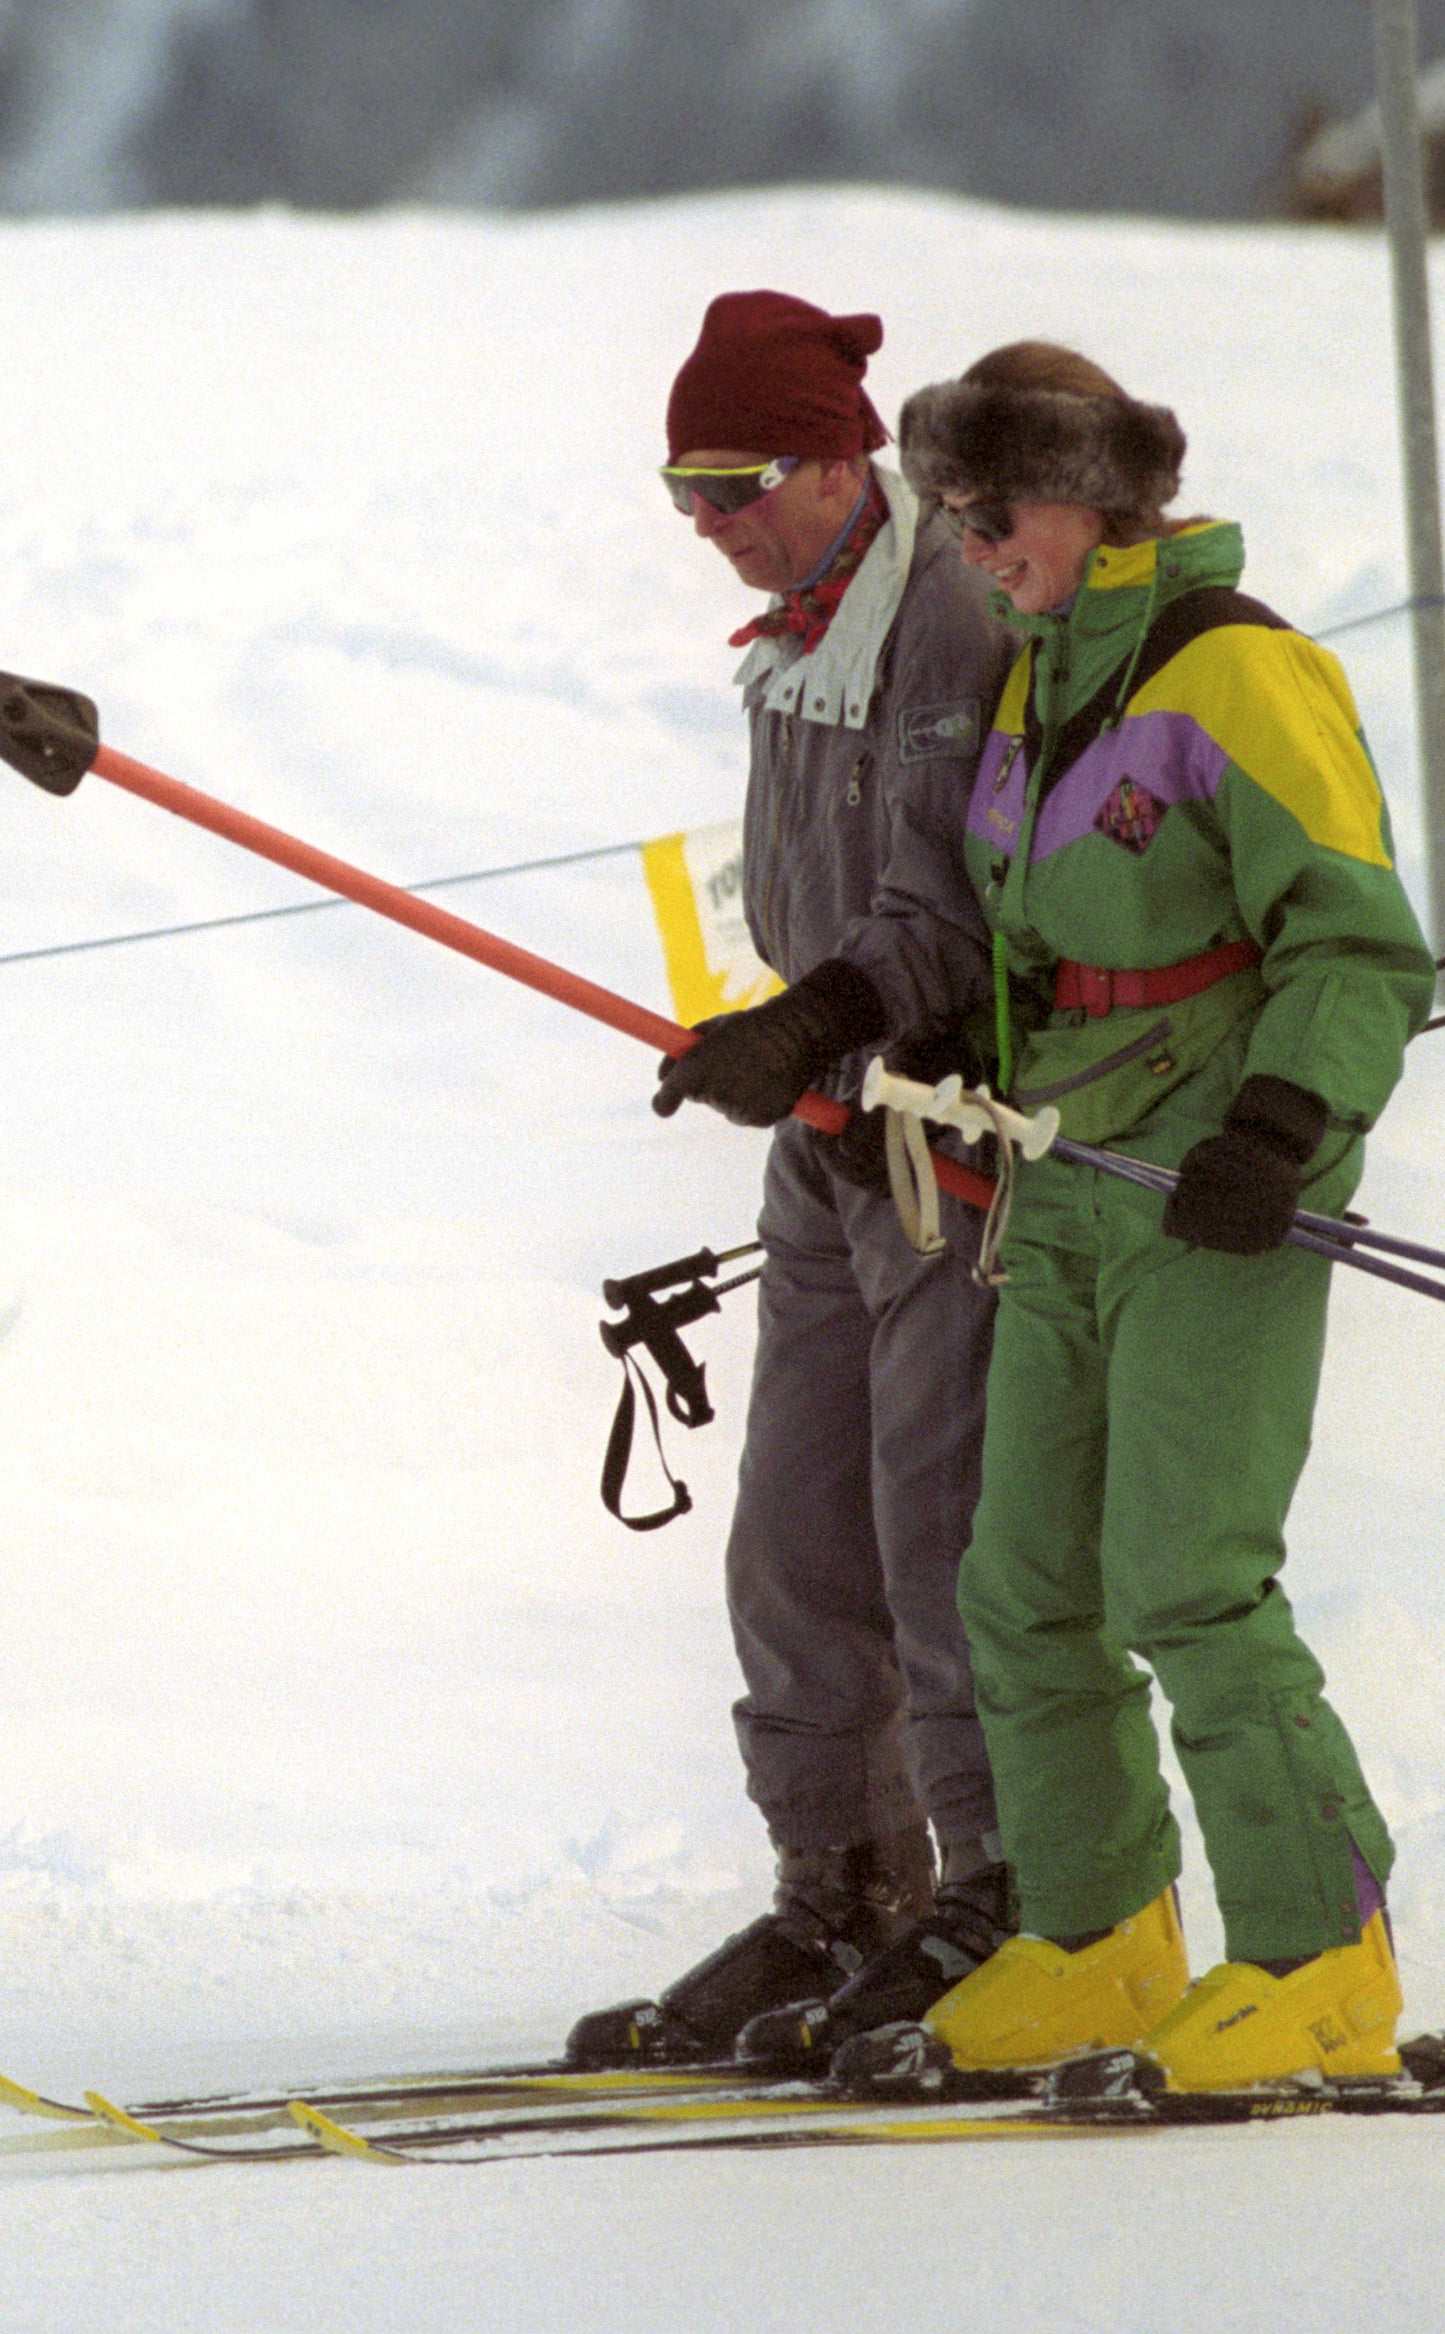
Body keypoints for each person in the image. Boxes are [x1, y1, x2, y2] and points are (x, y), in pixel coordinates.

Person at [884, 344, 1435, 2089]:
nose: (976, 548)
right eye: (952, 519)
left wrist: (1278, 1124)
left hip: (1216, 1172)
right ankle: (1101, 1930)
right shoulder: (1034, 684)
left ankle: (1319, 1951)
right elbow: (1021, 935)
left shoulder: (1236, 671)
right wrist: (929, 1061)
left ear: (1099, 498)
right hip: (1067, 1164)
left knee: (1186, 1575)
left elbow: (1350, 934)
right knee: (1024, 1581)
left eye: (998, 512)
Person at [565, 291, 1020, 2072]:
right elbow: (810, 900)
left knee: (934, 1525)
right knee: (788, 1535)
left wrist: (812, 1016)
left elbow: (939, 911)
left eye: (735, 478)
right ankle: (839, 1883)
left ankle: (996, 1883)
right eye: (679, 485)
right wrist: (777, 1035)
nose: (706, 519)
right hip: (820, 1129)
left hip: (935, 1133)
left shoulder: (943, 617)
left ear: (840, 459)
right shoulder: (794, 631)